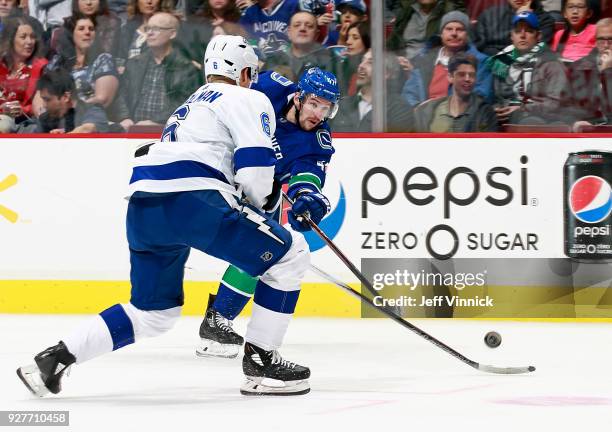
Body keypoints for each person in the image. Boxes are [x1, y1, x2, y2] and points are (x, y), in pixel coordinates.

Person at [17, 34, 314, 398]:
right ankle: (262, 363)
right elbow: (254, 172)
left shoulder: (191, 103)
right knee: (291, 253)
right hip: (194, 201)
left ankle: (54, 359)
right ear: (245, 71)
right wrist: (266, 210)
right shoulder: (248, 96)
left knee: (153, 313)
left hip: (144, 206)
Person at [196, 66, 339, 359]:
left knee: (262, 249)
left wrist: (307, 197)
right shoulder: (269, 86)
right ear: (298, 98)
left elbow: (307, 174)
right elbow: (222, 97)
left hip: (260, 186)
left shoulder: (317, 140)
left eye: (325, 108)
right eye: (314, 103)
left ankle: (217, 321)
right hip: (219, 164)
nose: (318, 114)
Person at [115, 12, 202, 130]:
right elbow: (121, 94)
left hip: (168, 130)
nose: (149, 33)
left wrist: (154, 122)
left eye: (156, 29)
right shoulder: (134, 63)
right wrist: (124, 117)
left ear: (172, 34)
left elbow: (184, 103)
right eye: (148, 28)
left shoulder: (186, 68)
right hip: (132, 128)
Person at [488, 10, 569, 125]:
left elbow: (556, 103)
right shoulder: (502, 61)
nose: (522, 35)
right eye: (517, 31)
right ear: (511, 36)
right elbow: (494, 97)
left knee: (530, 122)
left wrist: (522, 109)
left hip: (539, 119)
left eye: (529, 31)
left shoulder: (551, 62)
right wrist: (497, 109)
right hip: (505, 118)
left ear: (538, 36)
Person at [400, 11, 493, 108]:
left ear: (467, 35)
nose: (454, 33)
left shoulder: (481, 62)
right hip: (424, 117)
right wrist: (419, 109)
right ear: (441, 34)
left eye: (460, 29)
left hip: (462, 118)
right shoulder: (424, 59)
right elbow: (409, 94)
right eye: (449, 29)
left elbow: (481, 97)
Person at [408, 53, 498, 132]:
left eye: (471, 75)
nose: (467, 79)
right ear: (450, 77)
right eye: (461, 74)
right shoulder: (429, 110)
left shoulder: (484, 112)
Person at [331, 49, 411, 132]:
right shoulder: (341, 105)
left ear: (386, 73)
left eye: (370, 62)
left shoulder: (399, 109)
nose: (361, 66)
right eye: (362, 60)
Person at [0, 17, 48, 130]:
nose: (30, 42)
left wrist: (23, 110)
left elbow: (44, 104)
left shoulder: (40, 67)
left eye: (32, 37)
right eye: (23, 37)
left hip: (25, 121)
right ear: (11, 40)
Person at [29, 67, 109, 133]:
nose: (44, 105)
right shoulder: (45, 119)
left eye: (47, 100)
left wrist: (65, 136)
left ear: (66, 96)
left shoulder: (93, 110)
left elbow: (88, 128)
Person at [565, 18, 612, 130]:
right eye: (601, 39)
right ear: (595, 42)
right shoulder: (578, 68)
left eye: (611, 39)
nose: (606, 45)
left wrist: (607, 72)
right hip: (585, 129)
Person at [386, 0, 466, 60]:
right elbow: (392, 43)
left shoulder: (450, 12)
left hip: (431, 67)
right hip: (401, 66)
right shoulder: (407, 11)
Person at [264, 10, 332, 80]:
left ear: (316, 35)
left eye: (309, 26)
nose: (302, 29)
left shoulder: (329, 62)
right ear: (289, 32)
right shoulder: (273, 60)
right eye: (297, 25)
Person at [474, 0, 555, 57]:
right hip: (490, 65)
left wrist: (526, 19)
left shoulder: (545, 20)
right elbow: (479, 46)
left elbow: (535, 51)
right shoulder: (489, 15)